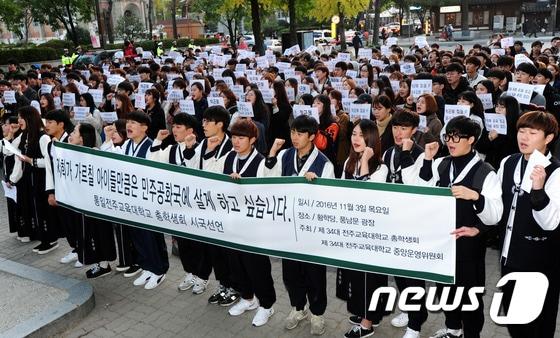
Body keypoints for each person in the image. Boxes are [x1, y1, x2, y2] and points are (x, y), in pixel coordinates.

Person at [402, 116, 503, 338]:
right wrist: (428, 159)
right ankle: (453, 329)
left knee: (469, 296)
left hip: (468, 246)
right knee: (445, 290)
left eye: (457, 137)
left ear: (472, 139)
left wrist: (475, 196)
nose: (451, 141)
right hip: (443, 243)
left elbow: (496, 214)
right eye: (448, 136)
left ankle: (471, 334)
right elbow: (422, 188)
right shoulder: (442, 162)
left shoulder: (485, 171)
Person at [264, 115, 335, 336]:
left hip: (311, 233)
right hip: (288, 228)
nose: (294, 137)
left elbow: (330, 201)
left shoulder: (324, 164)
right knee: (291, 273)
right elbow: (268, 182)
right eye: (293, 132)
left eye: (300, 133)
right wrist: (272, 154)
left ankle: (317, 314)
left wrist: (316, 186)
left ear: (312, 136)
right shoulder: (285, 155)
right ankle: (298, 308)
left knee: (314, 274)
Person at [497, 111, 560, 338]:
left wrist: (538, 190)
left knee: (538, 323)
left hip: (539, 263)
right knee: (514, 319)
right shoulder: (508, 162)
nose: (524, 137)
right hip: (508, 257)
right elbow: (499, 208)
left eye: (533, 132)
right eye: (521, 131)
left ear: (548, 138)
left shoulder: (556, 172)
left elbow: (550, 223)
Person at [102, 111, 169, 290]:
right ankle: (146, 267)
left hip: (147, 201)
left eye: (133, 123)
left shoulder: (150, 146)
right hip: (131, 200)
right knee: (137, 235)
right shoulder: (127, 146)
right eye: (128, 123)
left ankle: (159, 270)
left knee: (151, 236)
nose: (129, 126)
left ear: (145, 128)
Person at [183, 106, 238, 302]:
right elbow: (190, 169)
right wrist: (189, 148)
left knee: (227, 252)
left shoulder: (231, 145)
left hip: (223, 207)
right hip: (205, 205)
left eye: (208, 121)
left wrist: (211, 151)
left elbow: (220, 173)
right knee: (214, 251)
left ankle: (235, 288)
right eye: (203, 121)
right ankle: (223, 284)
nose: (203, 125)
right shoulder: (202, 143)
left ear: (220, 124)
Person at [340, 119, 389, 338]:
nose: (356, 139)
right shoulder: (348, 162)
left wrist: (366, 161)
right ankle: (368, 313)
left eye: (361, 135)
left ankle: (367, 324)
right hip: (353, 228)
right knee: (357, 276)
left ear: (371, 138)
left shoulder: (381, 167)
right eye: (353, 134)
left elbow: (368, 195)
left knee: (370, 277)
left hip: (372, 231)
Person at [225, 119, 276, 327]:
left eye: (241, 138)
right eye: (234, 137)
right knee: (236, 263)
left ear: (253, 140)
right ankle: (248, 298)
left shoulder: (261, 162)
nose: (236, 142)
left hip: (255, 226)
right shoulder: (229, 157)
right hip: (233, 222)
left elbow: (268, 194)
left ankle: (267, 305)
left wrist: (243, 186)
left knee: (257, 267)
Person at [382, 111, 427, 338]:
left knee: (414, 276)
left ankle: (416, 324)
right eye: (395, 128)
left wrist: (408, 154)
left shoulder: (422, 155)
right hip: (393, 221)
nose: (398, 133)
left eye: (404, 128)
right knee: (399, 272)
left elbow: (419, 186)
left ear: (414, 131)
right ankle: (409, 310)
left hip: (413, 223)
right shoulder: (389, 152)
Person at [148, 113, 201, 293]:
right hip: (176, 203)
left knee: (196, 244)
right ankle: (189, 273)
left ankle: (202, 276)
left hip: (195, 206)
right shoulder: (170, 149)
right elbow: (152, 162)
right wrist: (157, 140)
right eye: (174, 126)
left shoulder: (201, 148)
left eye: (179, 127)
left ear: (190, 130)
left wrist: (189, 147)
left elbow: (195, 168)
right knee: (182, 243)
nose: (174, 130)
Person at [69, 123, 117, 278]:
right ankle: (98, 262)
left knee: (99, 233)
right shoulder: (73, 151)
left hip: (95, 204)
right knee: (88, 233)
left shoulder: (95, 152)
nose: (71, 134)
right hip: (82, 202)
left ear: (83, 137)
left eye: (75, 131)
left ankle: (103, 265)